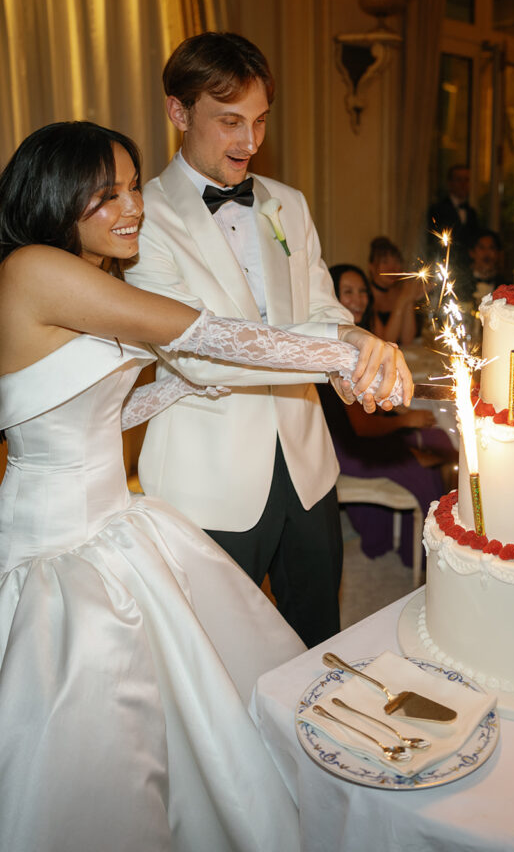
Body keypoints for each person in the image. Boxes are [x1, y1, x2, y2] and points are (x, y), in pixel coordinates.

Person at [0, 121, 410, 852]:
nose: (133, 207)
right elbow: (204, 335)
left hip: (111, 520)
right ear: (56, 197)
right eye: (107, 194)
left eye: (133, 187)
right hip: (58, 546)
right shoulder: (33, 267)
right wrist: (346, 350)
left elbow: (98, 408)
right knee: (96, 738)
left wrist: (185, 395)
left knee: (193, 711)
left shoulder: (84, 276)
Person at [126, 31, 403, 649]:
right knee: (220, 655)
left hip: (308, 465)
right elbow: (198, 351)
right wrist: (336, 351)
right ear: (178, 111)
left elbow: (323, 306)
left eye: (258, 122)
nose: (249, 143)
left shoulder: (288, 205)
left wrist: (356, 342)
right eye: (229, 122)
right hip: (208, 478)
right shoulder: (140, 219)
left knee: (319, 639)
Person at [318, 264, 453, 568]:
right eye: (347, 292)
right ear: (329, 296)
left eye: (362, 291)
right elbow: (362, 427)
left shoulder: (361, 336)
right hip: (346, 446)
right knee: (430, 452)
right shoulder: (339, 349)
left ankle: (427, 539)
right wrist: (407, 421)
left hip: (353, 432)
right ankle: (420, 552)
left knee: (438, 439)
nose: (358, 299)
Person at [367, 235, 421, 345]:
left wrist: (408, 299)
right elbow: (384, 343)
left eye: (396, 262)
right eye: (385, 262)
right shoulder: (364, 296)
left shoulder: (401, 293)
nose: (392, 268)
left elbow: (407, 340)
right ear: (371, 267)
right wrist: (402, 301)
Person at [426, 165, 480, 265]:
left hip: (468, 265)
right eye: (459, 180)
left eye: (466, 180)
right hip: (446, 263)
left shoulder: (471, 212)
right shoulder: (438, 210)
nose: (463, 184)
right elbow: (434, 241)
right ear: (450, 183)